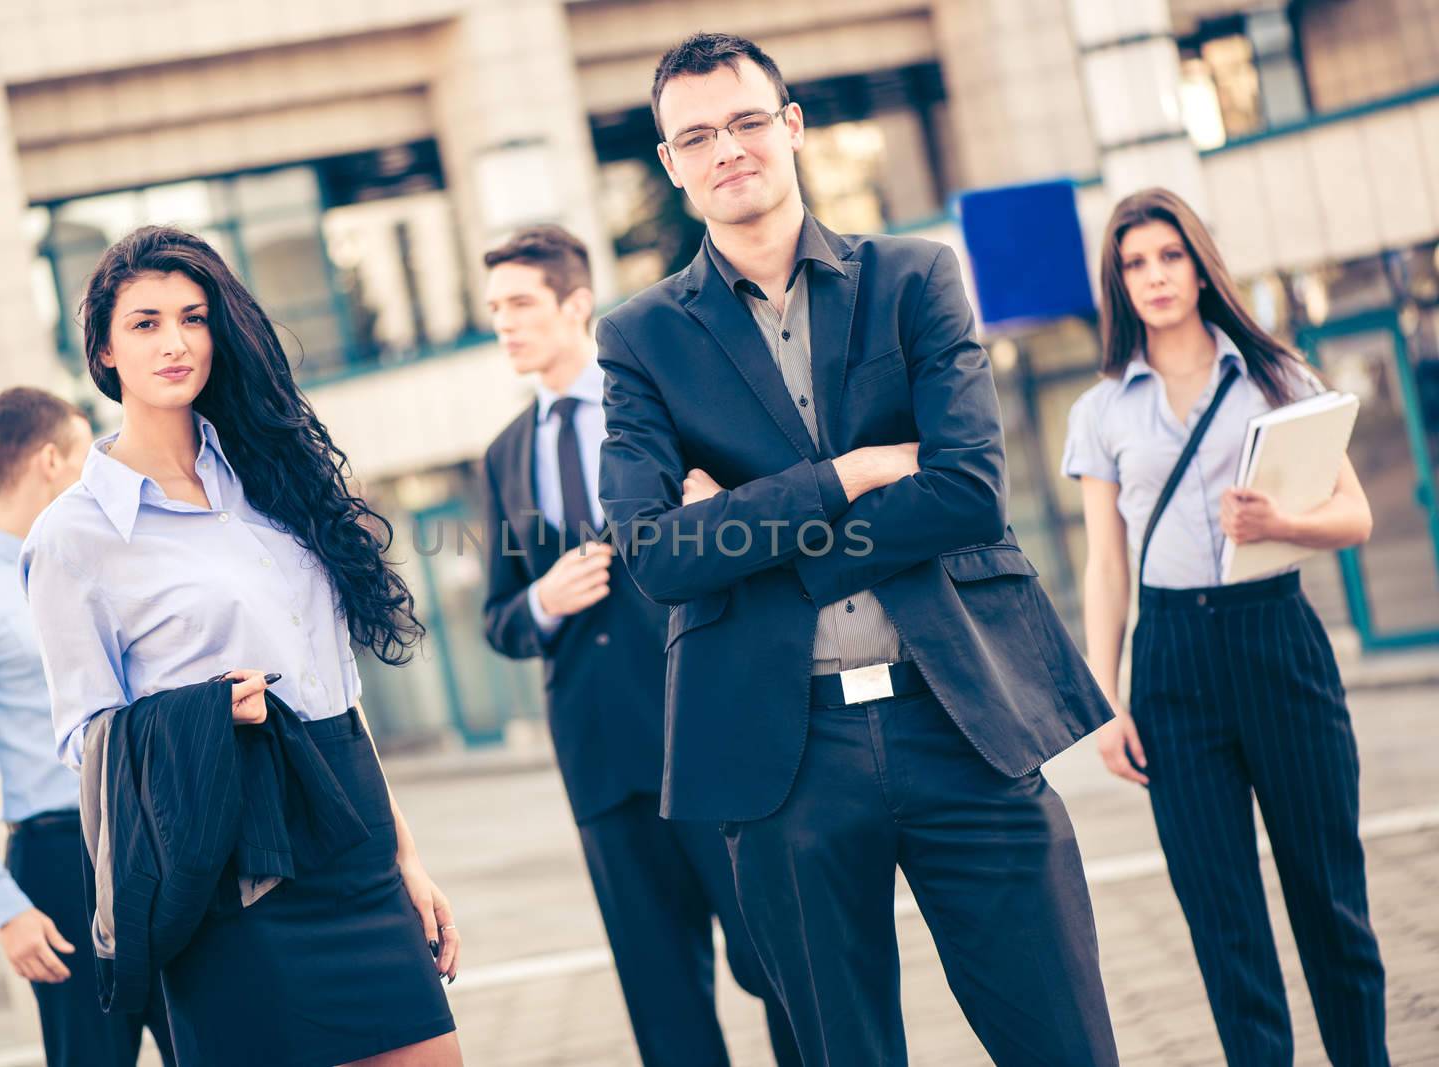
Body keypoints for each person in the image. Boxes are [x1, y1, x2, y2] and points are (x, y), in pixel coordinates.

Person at [596, 32, 1119, 1066]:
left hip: (959, 717)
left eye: (747, 121)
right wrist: (848, 475)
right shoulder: (639, 338)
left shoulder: (914, 277)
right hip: (780, 752)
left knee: (1064, 1040)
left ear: (791, 126)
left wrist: (751, 528)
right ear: (670, 162)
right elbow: (656, 554)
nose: (727, 149)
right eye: (695, 136)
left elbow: (967, 490)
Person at [19, 225, 461, 1067]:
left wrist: (405, 854)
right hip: (231, 860)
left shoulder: (271, 477)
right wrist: (202, 713)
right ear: (103, 353)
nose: (175, 341)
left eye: (193, 317)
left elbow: (339, 692)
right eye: (145, 323)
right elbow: (85, 738)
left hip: (350, 826)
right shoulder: (73, 536)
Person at [1065, 186, 1387, 1066]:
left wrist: (1279, 524)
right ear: (1117, 284)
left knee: (1330, 896)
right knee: (1222, 917)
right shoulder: (1101, 411)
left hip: (1276, 636)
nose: (1155, 276)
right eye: (1135, 263)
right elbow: (1105, 565)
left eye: (1170, 256)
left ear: (1201, 266)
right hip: (1169, 661)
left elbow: (1354, 516)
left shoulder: (1276, 376)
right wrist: (1106, 698)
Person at [479, 225, 800, 1067]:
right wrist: (541, 601)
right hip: (603, 763)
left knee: (781, 969)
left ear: (575, 304)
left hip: (708, 733)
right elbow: (498, 617)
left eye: (520, 303)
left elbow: (749, 528)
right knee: (662, 1003)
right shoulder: (504, 455)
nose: (503, 323)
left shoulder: (659, 402)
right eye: (494, 308)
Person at [0, 387, 174, 1067]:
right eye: (88, 452)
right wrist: (5, 905)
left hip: (157, 840)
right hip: (61, 864)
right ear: (51, 460)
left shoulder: (107, 563)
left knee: (218, 1045)